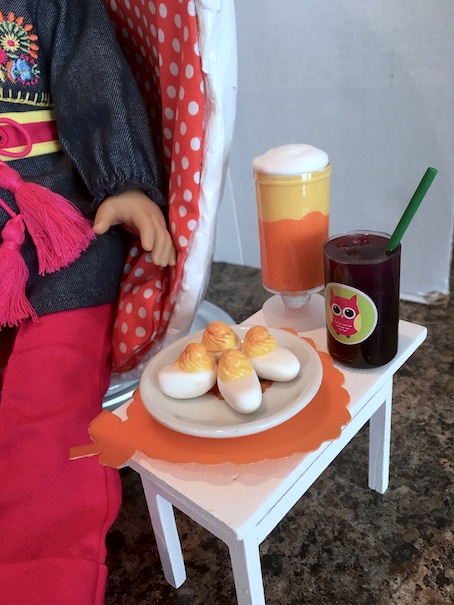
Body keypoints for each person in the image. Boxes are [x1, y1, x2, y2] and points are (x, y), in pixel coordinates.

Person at [0, 1, 175, 603]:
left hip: (59, 219)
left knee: (50, 393)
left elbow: (93, 75)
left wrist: (122, 181)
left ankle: (40, 578)